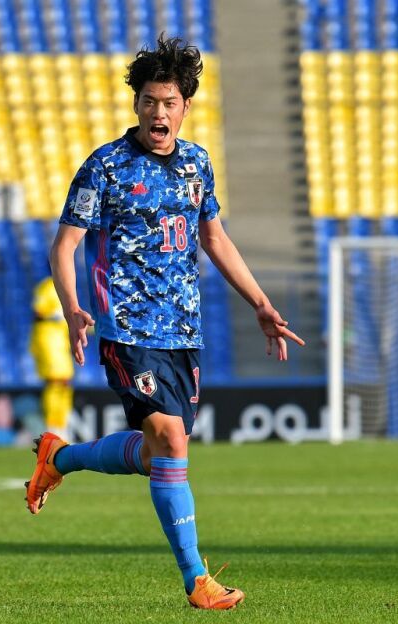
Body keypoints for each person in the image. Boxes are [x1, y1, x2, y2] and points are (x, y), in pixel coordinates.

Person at [24, 35, 304, 610]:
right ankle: (197, 579)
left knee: (159, 457)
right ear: (136, 105)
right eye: (149, 101)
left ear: (185, 107)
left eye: (169, 102)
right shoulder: (105, 166)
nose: (158, 112)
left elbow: (214, 238)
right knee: (172, 440)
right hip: (127, 329)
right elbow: (65, 245)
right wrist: (73, 308)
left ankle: (59, 458)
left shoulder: (197, 164)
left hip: (184, 331)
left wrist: (259, 301)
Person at [28, 267, 75, 439]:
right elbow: (37, 312)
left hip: (61, 344)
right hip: (48, 342)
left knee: (64, 383)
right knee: (55, 382)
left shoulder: (67, 287)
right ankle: (53, 427)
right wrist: (55, 317)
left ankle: (62, 425)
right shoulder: (47, 287)